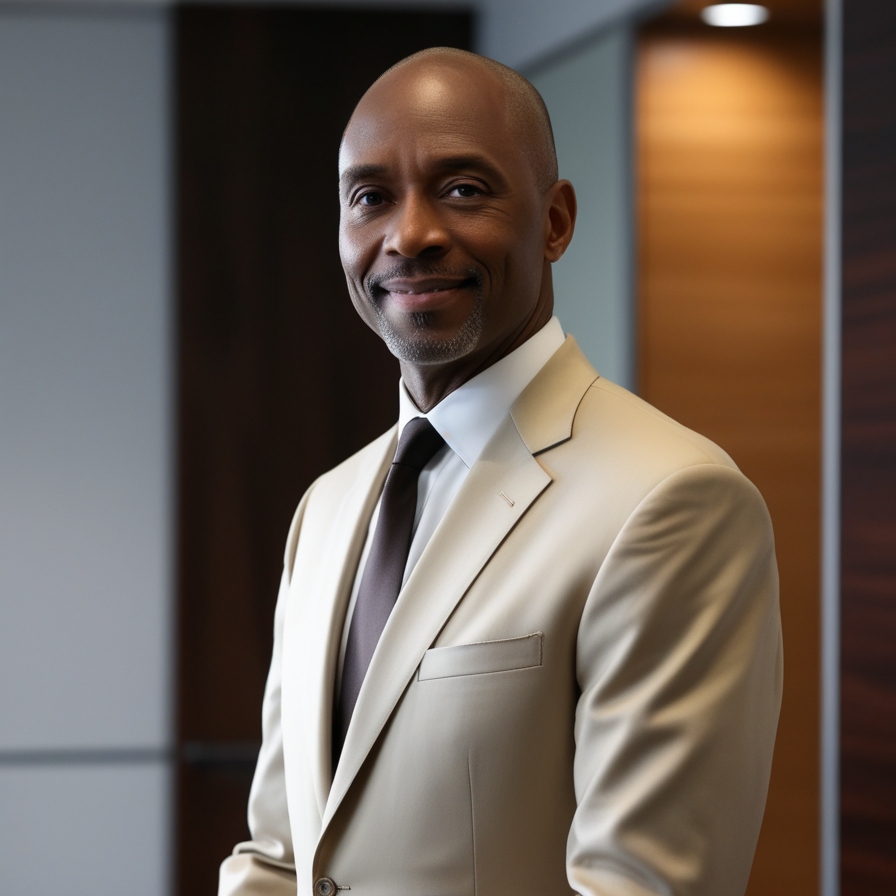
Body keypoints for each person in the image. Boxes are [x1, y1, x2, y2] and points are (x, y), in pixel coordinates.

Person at [218, 47, 782, 896]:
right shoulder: (325, 509)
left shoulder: (673, 502)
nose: (409, 235)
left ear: (554, 222)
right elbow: (278, 856)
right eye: (371, 198)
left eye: (463, 189)